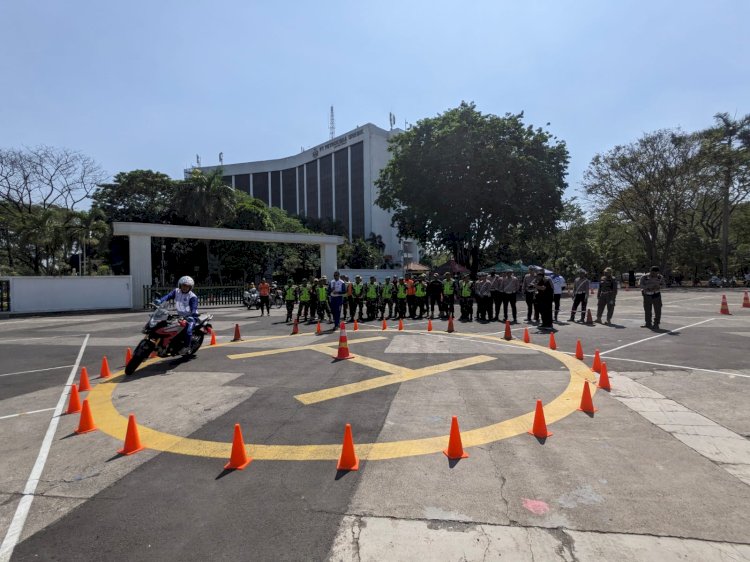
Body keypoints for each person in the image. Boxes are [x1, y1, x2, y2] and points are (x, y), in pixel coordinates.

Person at [156, 275, 199, 355]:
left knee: (188, 330)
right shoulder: (176, 291)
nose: (184, 287)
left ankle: (187, 347)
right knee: (166, 325)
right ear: (180, 285)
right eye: (183, 285)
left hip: (191, 317)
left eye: (187, 286)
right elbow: (168, 296)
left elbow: (194, 307)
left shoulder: (193, 296)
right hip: (180, 315)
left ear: (190, 287)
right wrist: (160, 300)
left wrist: (192, 315)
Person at [640, 266, 665, 330]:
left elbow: (664, 285)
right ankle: (648, 323)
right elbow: (640, 285)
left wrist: (658, 287)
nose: (654, 274)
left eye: (656, 273)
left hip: (656, 295)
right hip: (647, 295)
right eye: (653, 273)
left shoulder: (660, 277)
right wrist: (648, 287)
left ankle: (656, 323)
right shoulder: (644, 277)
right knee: (647, 310)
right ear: (650, 271)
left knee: (658, 310)